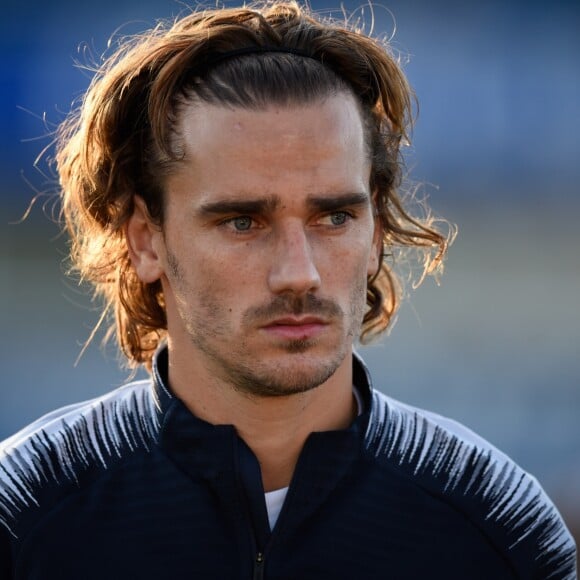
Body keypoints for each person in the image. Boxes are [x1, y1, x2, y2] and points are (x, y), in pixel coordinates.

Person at [0, 2, 576, 578]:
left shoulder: (498, 526)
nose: (300, 273)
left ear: (375, 230)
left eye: (334, 218)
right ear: (147, 241)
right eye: (243, 222)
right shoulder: (24, 514)